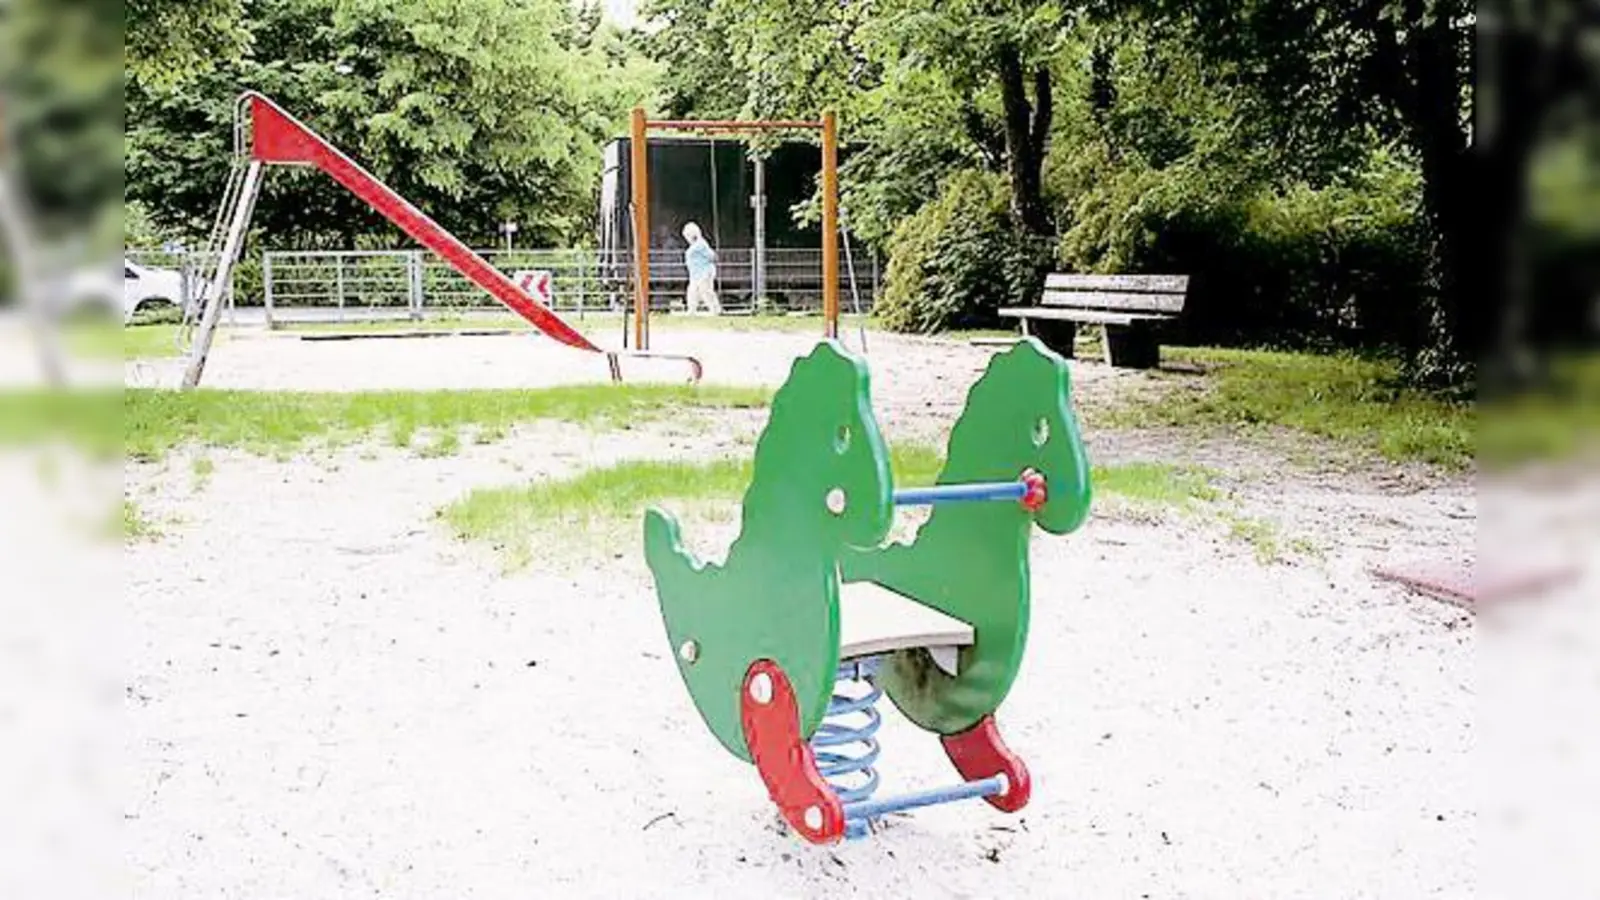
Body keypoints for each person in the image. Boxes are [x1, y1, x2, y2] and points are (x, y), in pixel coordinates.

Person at [681, 222, 720, 315]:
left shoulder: (701, 244)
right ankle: (691, 310)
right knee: (692, 292)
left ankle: (715, 310)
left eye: (687, 235)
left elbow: (712, 256)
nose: (686, 238)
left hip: (704, 273)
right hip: (695, 274)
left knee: (706, 291)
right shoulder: (696, 245)